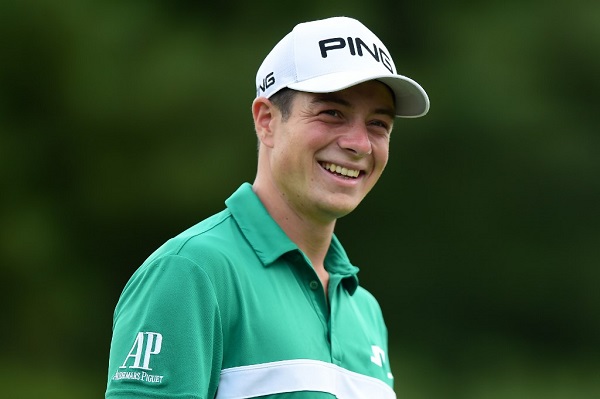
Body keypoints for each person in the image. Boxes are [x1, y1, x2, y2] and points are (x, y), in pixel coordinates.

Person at [105, 16, 429, 399]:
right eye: (332, 113)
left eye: (378, 124)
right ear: (266, 121)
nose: (359, 143)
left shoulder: (365, 310)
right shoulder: (191, 272)